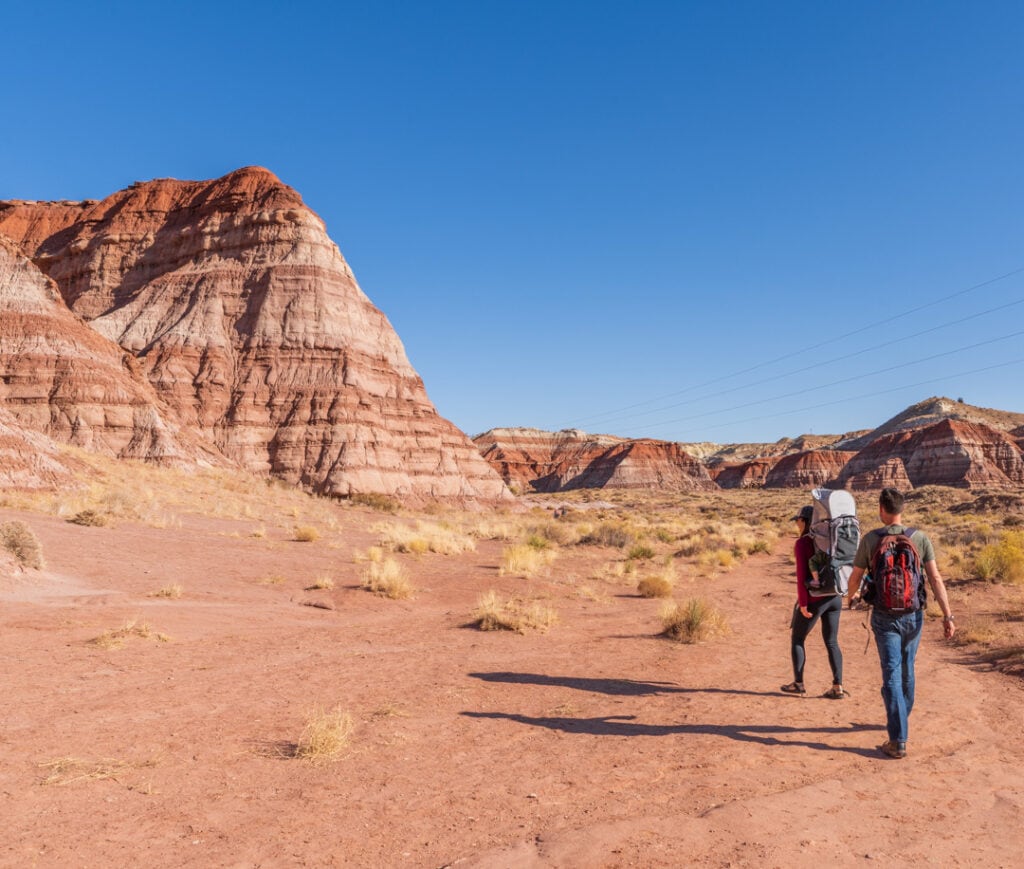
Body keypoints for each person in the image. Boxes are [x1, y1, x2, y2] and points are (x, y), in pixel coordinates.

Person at [848, 487, 956, 759]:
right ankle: (900, 720)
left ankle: (898, 740)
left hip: (885, 617)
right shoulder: (919, 538)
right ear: (902, 509)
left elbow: (855, 576)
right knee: (907, 667)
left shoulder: (871, 539)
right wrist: (947, 615)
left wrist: (852, 597)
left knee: (892, 674)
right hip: (913, 615)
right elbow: (935, 579)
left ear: (882, 510)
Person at [781, 505, 846, 699]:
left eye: (798, 520)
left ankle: (798, 683)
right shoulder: (830, 540)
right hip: (834, 596)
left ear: (805, 521)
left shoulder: (803, 543)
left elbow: (802, 576)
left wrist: (802, 603)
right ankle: (838, 687)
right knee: (832, 641)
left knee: (798, 638)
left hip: (814, 598)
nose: (797, 523)